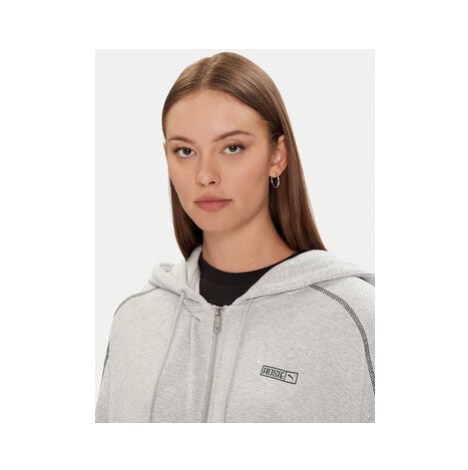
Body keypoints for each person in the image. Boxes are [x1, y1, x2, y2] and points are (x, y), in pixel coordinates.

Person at [95, 52, 375, 423]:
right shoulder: (135, 319)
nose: (205, 175)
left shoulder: (356, 316)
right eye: (185, 151)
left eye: (232, 148)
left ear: (277, 156)